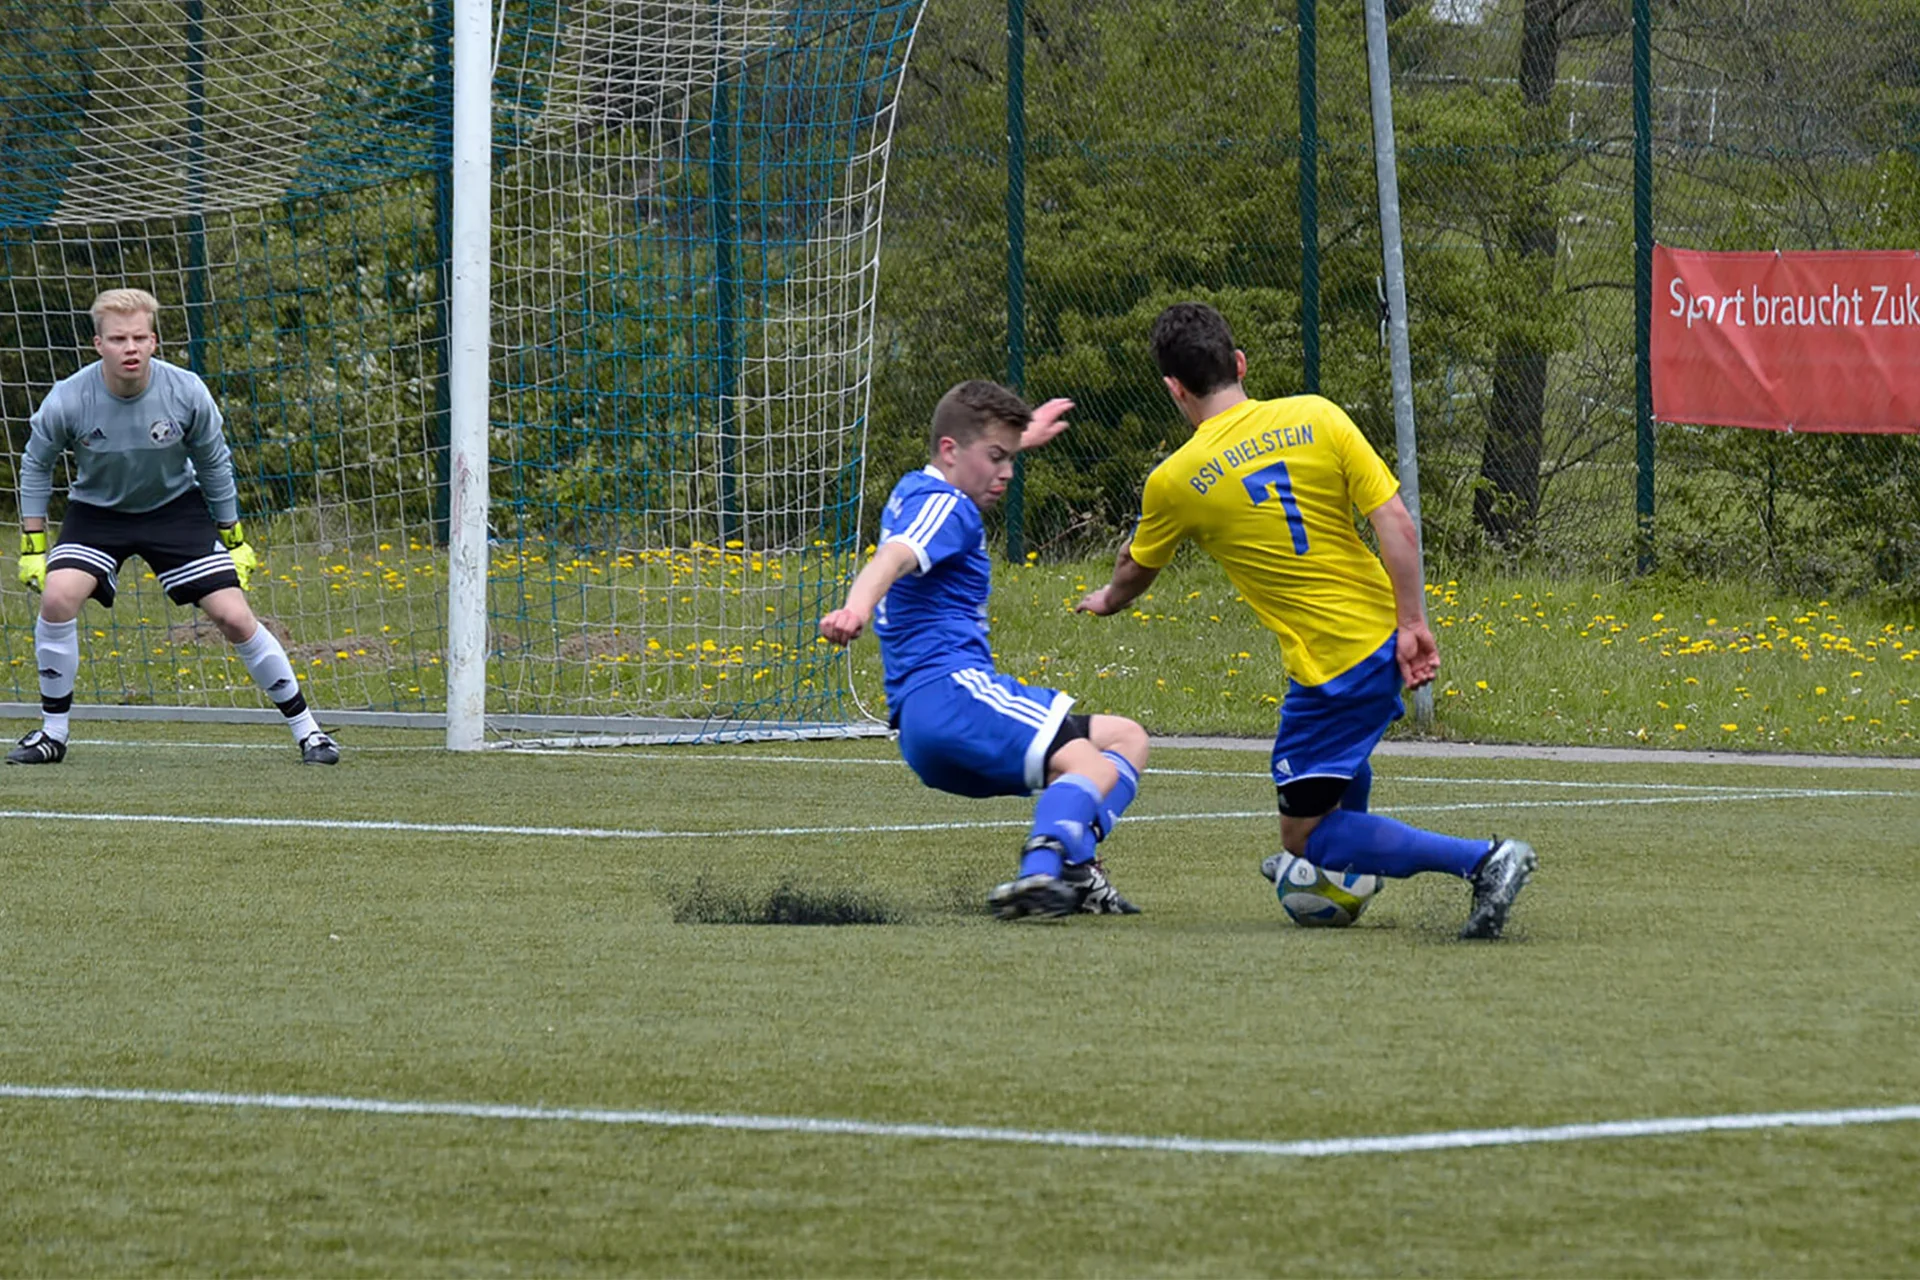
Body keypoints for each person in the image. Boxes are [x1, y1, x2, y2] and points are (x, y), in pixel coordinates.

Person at [1076, 302, 1534, 939]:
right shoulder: (1318, 414)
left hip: (1333, 664)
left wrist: (1107, 599)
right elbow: (1396, 524)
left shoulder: (1175, 480)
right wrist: (1413, 623)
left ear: (1173, 389)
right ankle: (1343, 865)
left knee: (1303, 837)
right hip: (1377, 632)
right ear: (1239, 363)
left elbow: (1137, 571)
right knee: (1332, 782)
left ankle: (1482, 862)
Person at [820, 380, 1149, 919]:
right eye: (997, 458)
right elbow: (893, 559)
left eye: (1011, 458)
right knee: (1093, 767)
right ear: (950, 451)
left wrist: (1019, 438)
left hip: (927, 726)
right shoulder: (947, 505)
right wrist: (854, 610)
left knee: (1127, 739)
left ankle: (1076, 870)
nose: (1008, 473)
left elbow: (905, 539)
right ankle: (1042, 870)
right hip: (953, 699)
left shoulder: (914, 489)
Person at [10, 287, 340, 766]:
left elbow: (213, 462)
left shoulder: (185, 391)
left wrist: (234, 537)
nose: (130, 347)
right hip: (96, 514)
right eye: (119, 338)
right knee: (58, 597)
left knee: (234, 616)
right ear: (97, 345)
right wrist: (34, 545)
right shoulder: (68, 399)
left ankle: (309, 733)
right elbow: (36, 465)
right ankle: (52, 734)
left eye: (140, 337)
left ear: (154, 341)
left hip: (174, 509)